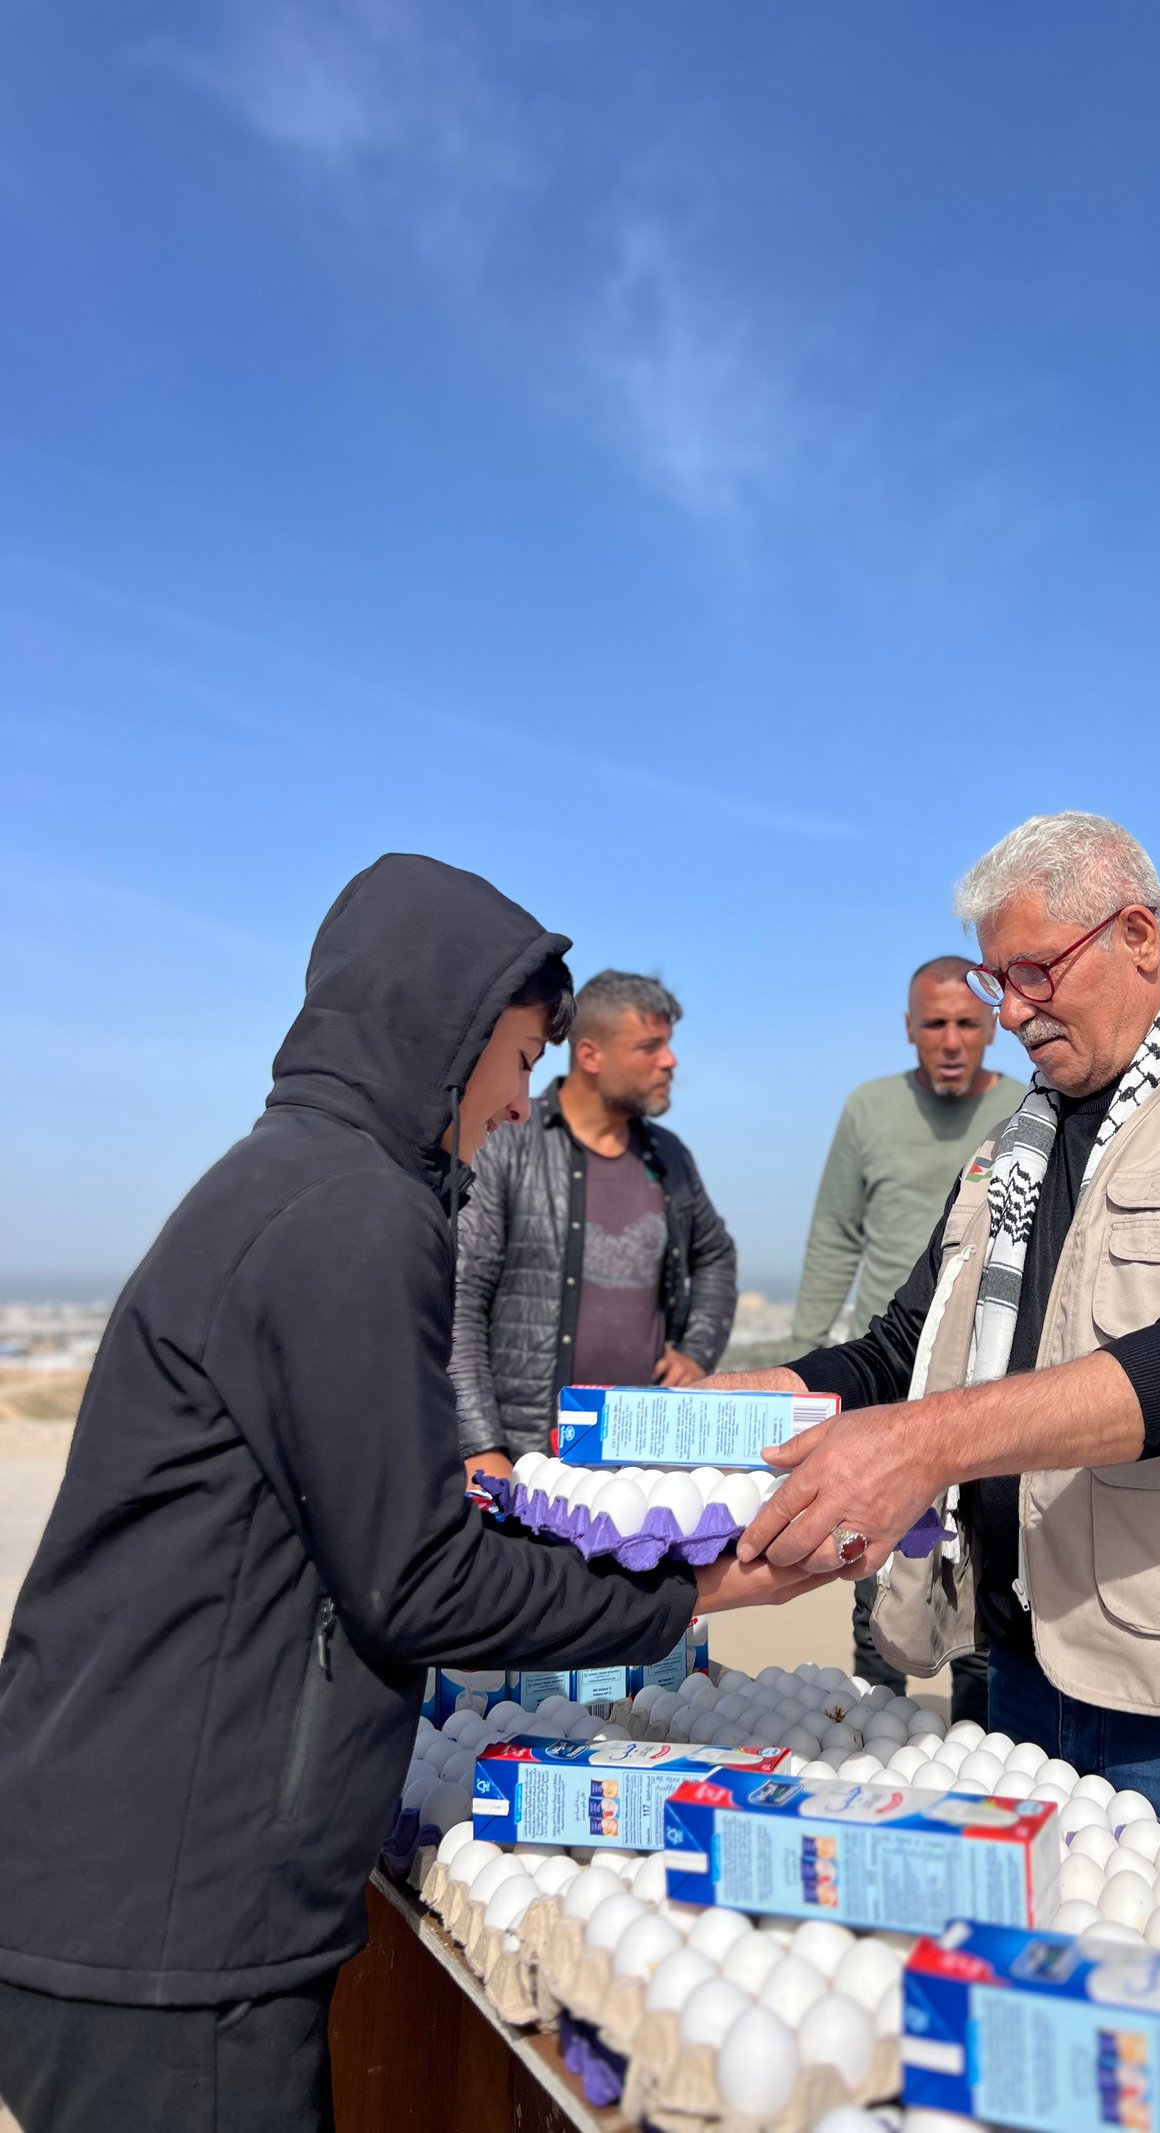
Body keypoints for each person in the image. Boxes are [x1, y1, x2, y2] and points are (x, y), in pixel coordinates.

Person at [0, 857, 821, 2133]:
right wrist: (700, 1585)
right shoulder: (351, 1214)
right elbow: (417, 1582)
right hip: (171, 1917)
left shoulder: (291, 1182)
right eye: (516, 1058)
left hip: (125, 1884)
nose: (515, 1104)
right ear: (445, 1034)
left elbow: (346, 1528)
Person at [718, 811, 1160, 1867]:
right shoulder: (1010, 1150)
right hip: (1012, 1668)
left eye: (1033, 971)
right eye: (998, 983)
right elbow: (905, 1348)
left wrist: (931, 1442)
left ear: (1137, 937)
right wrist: (750, 1399)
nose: (1012, 1013)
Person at [791, 957, 1024, 1714]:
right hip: (889, 1380)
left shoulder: (1029, 1109)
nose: (952, 1040)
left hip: (991, 1387)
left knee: (983, 1601)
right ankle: (861, 1744)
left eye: (966, 1022)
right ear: (909, 1028)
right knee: (875, 1585)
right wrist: (805, 1378)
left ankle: (983, 1765)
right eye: (935, 1024)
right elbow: (834, 1237)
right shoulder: (869, 1108)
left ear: (993, 1024)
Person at [451, 969, 736, 1484]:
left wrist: (696, 1353)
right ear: (589, 1055)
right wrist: (481, 1446)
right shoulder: (508, 1139)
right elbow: (461, 1299)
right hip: (527, 1463)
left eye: (667, 1046)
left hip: (641, 1466)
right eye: (649, 1047)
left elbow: (715, 1255)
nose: (669, 1062)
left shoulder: (670, 1157)